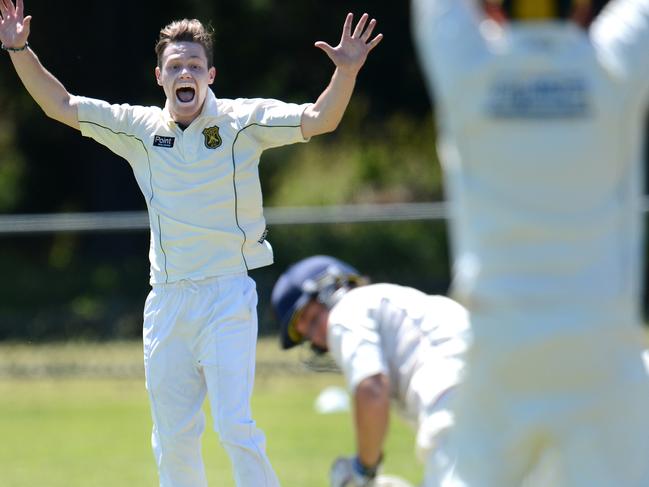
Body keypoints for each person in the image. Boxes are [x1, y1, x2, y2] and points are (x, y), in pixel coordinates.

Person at [0, 1, 383, 486]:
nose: (186, 72)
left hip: (227, 295)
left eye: (195, 65)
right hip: (168, 299)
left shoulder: (243, 122)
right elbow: (61, 105)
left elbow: (320, 118)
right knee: (173, 436)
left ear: (210, 74)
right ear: (159, 76)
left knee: (233, 427)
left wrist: (345, 73)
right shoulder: (139, 129)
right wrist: (18, 48)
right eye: (175, 66)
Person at [412, 0, 649, 485]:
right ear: (582, 8)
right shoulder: (613, 68)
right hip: (602, 350)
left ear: (492, 11)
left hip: (501, 345)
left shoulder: (469, 70)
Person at [270, 255, 471, 487]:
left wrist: (363, 470)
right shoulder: (405, 301)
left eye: (313, 319)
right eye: (308, 336)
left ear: (334, 289)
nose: (317, 337)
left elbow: (372, 390)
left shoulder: (347, 311)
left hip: (460, 413)